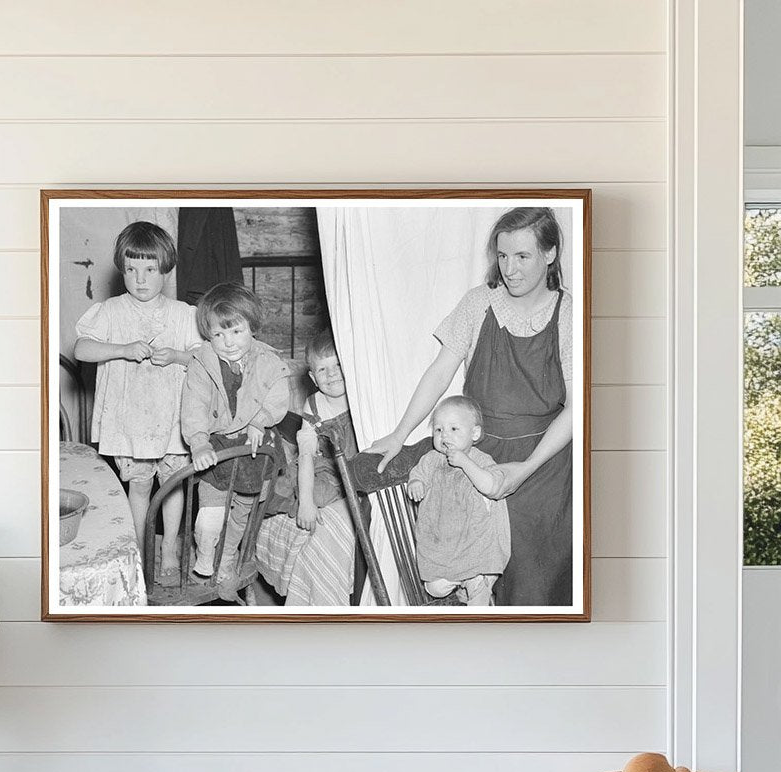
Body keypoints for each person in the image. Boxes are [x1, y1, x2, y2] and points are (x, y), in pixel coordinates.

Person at [370, 206, 573, 607]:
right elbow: (440, 371)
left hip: (545, 466)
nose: (509, 269)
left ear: (550, 254)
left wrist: (525, 469)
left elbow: (579, 407)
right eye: (502, 256)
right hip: (475, 458)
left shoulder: (569, 313)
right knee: (470, 578)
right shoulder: (479, 303)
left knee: (535, 584)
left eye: (522, 256)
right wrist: (399, 434)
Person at [72, 221, 201, 580]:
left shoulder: (182, 314)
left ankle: (171, 546)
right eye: (131, 269)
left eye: (149, 269)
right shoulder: (111, 311)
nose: (140, 279)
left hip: (172, 416)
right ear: (122, 269)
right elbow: (82, 348)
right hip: (130, 418)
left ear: (166, 269)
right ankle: (141, 547)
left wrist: (176, 356)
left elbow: (203, 357)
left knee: (172, 483)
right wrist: (123, 349)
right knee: (140, 484)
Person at [181, 282, 290, 590]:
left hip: (253, 446)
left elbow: (280, 393)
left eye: (236, 332)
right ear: (208, 335)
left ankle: (227, 559)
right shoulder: (202, 364)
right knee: (209, 516)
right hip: (217, 446)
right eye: (219, 334)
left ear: (252, 328)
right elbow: (194, 406)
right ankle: (205, 552)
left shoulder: (268, 361)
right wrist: (199, 440)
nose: (228, 342)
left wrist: (261, 420)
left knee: (242, 512)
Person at [256, 330, 361, 606]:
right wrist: (305, 503)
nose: (332, 374)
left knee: (328, 496)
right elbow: (305, 456)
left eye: (337, 365)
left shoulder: (362, 399)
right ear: (313, 377)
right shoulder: (313, 404)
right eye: (322, 369)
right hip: (323, 467)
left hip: (354, 470)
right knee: (283, 488)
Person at [407, 395, 510, 606]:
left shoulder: (481, 460)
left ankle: (476, 585)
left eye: (454, 429)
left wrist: (464, 462)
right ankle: (463, 581)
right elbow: (418, 475)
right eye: (438, 430)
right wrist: (415, 484)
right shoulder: (431, 459)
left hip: (472, 539)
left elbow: (489, 484)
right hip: (442, 540)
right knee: (434, 588)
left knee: (478, 577)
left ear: (474, 433)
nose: (444, 435)